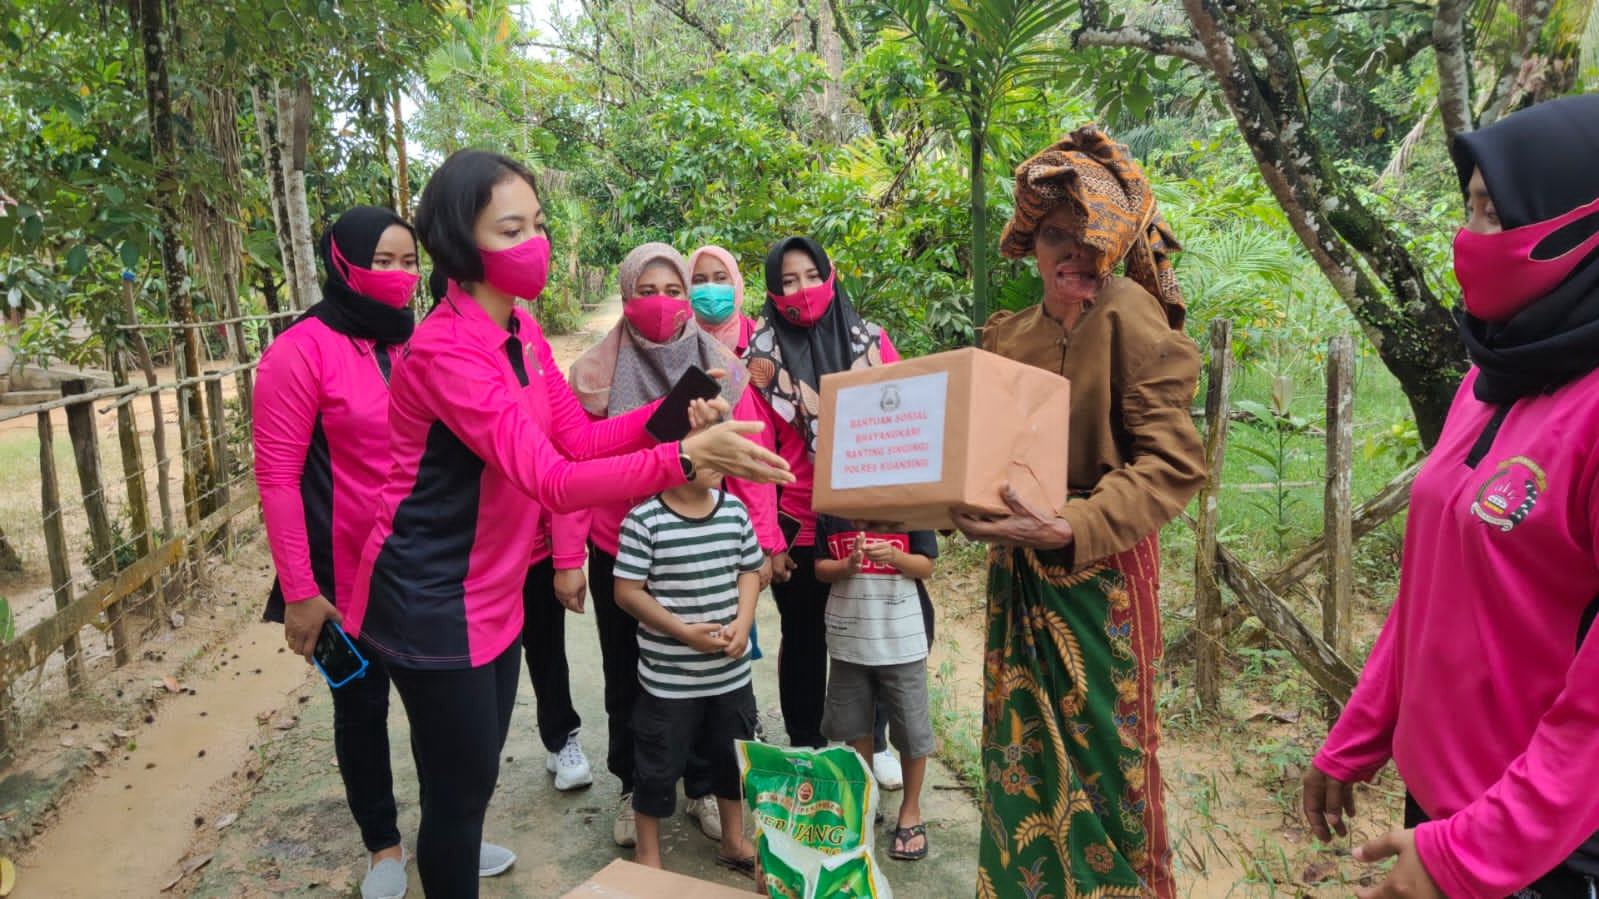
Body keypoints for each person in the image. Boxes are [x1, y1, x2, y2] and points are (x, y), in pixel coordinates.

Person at [341, 149, 791, 897]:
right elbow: (551, 478)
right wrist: (683, 458)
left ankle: (453, 848)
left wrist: (682, 412)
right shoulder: (449, 350)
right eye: (511, 228)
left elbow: (576, 437)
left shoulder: (518, 332)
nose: (536, 243)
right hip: (431, 596)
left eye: (537, 224)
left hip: (491, 587)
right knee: (458, 793)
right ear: (460, 241)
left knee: (473, 772)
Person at [1303, 95, 1599, 899]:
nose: (1468, 237)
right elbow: (1433, 587)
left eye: (1493, 213)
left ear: (1576, 225)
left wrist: (1468, 853)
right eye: (1466, 208)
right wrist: (1359, 732)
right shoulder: (1491, 374)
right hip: (1441, 805)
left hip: (1542, 843)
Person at [954, 125, 1206, 899]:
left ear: (1112, 242)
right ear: (1031, 245)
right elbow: (979, 453)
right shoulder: (1008, 335)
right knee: (1019, 745)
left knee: (1112, 752)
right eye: (1054, 235)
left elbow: (1172, 462)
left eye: (1086, 237)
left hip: (1102, 579)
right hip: (1018, 575)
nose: (1071, 253)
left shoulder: (1135, 322)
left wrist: (1074, 526)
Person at [568, 242, 785, 846]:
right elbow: (571, 466)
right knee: (629, 676)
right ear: (625, 294)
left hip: (705, 545)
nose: (662, 304)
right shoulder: (594, 374)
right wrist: (568, 558)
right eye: (647, 291)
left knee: (712, 670)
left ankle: (701, 788)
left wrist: (764, 542)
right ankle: (635, 786)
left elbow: (747, 449)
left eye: (673, 292)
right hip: (623, 543)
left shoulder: (719, 364)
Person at [254, 206, 418, 899]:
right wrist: (298, 587)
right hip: (340, 578)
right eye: (382, 260)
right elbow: (278, 477)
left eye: (409, 261)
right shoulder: (300, 349)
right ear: (343, 261)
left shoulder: (422, 341)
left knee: (444, 707)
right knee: (360, 708)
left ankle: (452, 832)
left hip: (423, 564)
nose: (399, 275)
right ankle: (383, 845)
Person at [744, 236, 911, 787]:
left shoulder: (872, 342)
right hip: (799, 524)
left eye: (811, 276)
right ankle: (806, 742)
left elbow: (907, 423)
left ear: (830, 274)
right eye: (788, 281)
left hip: (868, 517)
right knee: (805, 635)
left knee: (874, 633)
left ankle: (877, 740)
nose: (802, 291)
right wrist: (768, 540)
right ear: (772, 290)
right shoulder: (761, 361)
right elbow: (758, 461)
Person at [612, 467, 764, 877]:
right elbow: (626, 591)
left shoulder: (734, 510)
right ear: (677, 457)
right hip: (668, 680)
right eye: (712, 451)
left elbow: (751, 570)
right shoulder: (645, 520)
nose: (723, 462)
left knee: (732, 759)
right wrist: (682, 632)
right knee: (656, 763)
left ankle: (733, 841)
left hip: (730, 675)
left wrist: (744, 619)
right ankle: (649, 855)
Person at [814, 515, 938, 861]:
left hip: (903, 641)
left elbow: (925, 566)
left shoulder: (911, 509)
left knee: (912, 730)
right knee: (854, 727)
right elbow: (820, 568)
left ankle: (910, 811)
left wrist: (896, 557)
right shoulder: (831, 513)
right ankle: (864, 803)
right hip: (848, 640)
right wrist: (846, 565)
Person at [688, 244, 757, 355]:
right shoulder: (679, 341)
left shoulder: (759, 336)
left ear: (736, 282)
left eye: (720, 278)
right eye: (699, 280)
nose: (710, 288)